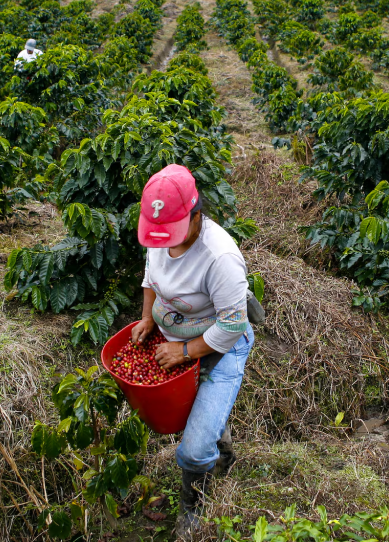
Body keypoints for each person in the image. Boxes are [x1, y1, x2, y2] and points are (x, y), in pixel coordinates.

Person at [132, 164, 254, 537]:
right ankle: (221, 440)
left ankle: (193, 506)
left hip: (222, 345)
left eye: (173, 234)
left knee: (192, 450)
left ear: (197, 215)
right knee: (200, 417)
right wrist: (147, 318)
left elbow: (232, 325)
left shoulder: (219, 258)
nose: (166, 243)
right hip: (177, 337)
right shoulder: (159, 239)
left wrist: (184, 351)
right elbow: (151, 276)